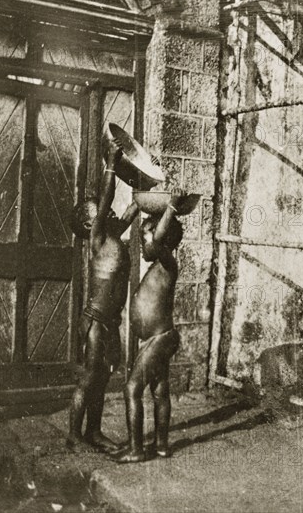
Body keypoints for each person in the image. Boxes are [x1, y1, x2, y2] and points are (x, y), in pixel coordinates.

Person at [67, 139, 140, 453]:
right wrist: (111, 163)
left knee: (102, 379)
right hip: (96, 322)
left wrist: (148, 186)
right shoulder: (98, 239)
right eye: (99, 209)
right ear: (88, 223)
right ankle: (73, 433)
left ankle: (93, 431)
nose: (107, 207)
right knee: (89, 377)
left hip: (111, 322)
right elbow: (109, 194)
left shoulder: (114, 232)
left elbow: (134, 206)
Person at [114, 189, 184, 463]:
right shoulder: (159, 266)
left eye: (144, 236)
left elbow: (155, 241)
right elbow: (155, 240)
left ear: (161, 238)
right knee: (159, 390)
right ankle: (162, 445)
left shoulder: (168, 264)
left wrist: (172, 208)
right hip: (158, 337)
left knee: (132, 389)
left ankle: (135, 449)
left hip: (159, 338)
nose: (142, 243)